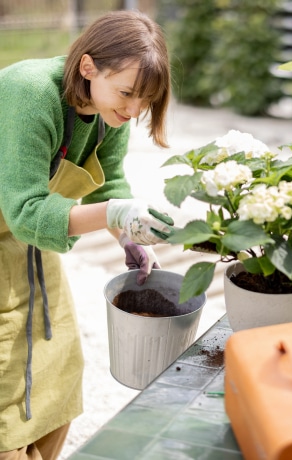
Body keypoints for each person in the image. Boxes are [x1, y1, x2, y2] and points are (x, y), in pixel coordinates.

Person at [0, 10, 175, 459]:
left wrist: (127, 235)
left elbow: (110, 180)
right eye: (128, 93)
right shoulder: (30, 92)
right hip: (21, 225)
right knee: (6, 379)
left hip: (30, 243)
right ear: (88, 67)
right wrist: (115, 212)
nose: (134, 110)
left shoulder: (106, 110)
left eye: (146, 102)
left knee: (58, 365)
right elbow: (25, 211)